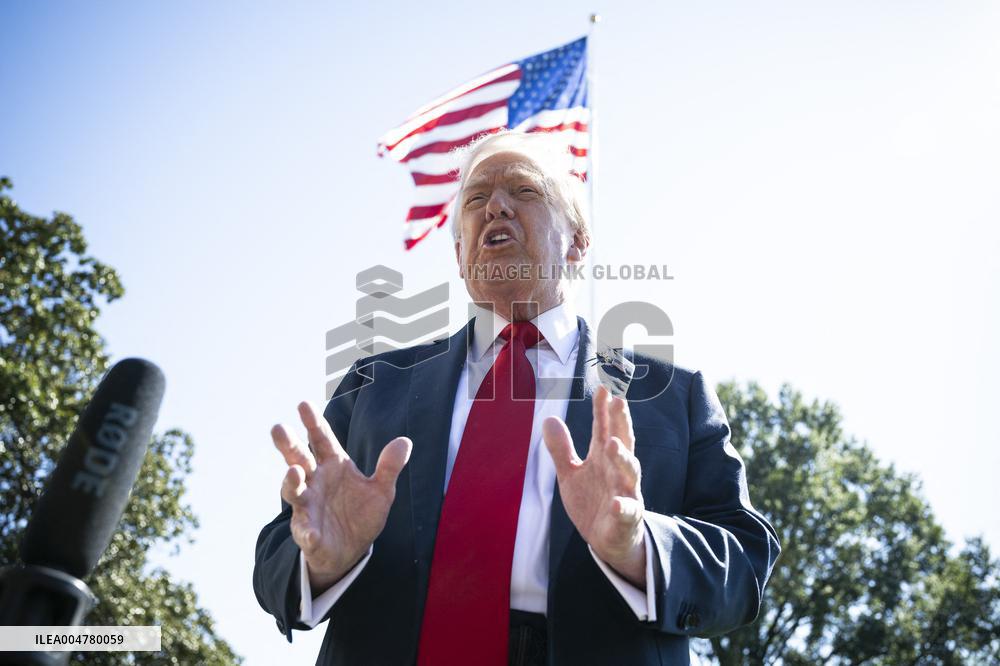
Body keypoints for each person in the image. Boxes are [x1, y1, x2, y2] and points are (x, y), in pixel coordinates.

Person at [253, 131, 780, 665]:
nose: (496, 206)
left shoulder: (671, 395)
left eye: (524, 191)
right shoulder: (374, 385)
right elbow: (279, 555)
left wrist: (639, 545)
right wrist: (321, 562)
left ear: (576, 241)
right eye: (476, 200)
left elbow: (744, 563)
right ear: (460, 254)